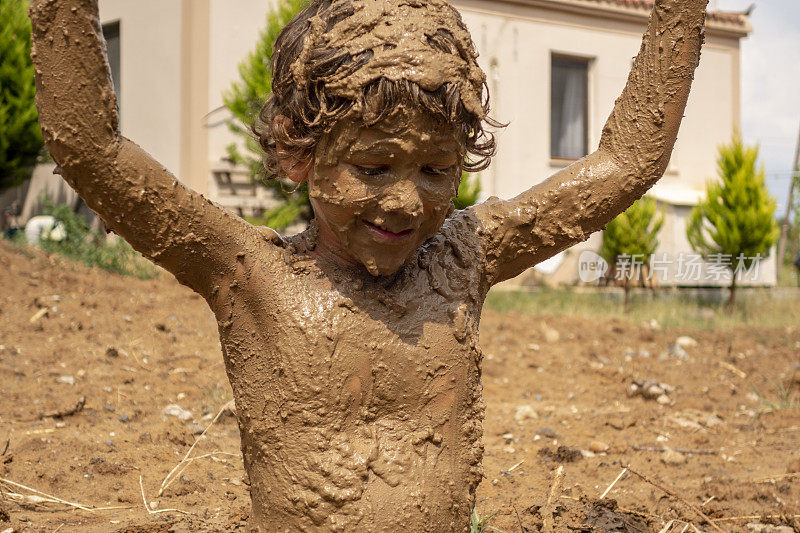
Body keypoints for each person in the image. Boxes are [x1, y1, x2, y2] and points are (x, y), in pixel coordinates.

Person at [28, 0, 708, 530]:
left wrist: (680, 13)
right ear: (299, 153)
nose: (405, 200)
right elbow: (90, 148)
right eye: (372, 165)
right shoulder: (248, 275)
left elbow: (627, 163)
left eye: (438, 169)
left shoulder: (464, 259)